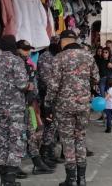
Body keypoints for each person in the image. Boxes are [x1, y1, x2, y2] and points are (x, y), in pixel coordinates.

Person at [45, 30, 99, 186]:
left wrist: (48, 104)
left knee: (68, 141)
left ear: (63, 41)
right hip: (83, 106)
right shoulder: (88, 56)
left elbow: (53, 85)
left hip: (64, 107)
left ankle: (71, 179)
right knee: (80, 138)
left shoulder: (59, 58)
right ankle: (82, 179)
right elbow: (96, 77)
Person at [0, 35, 31, 186]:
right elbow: (22, 84)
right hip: (15, 109)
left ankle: (4, 181)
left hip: (0, 109)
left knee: (3, 142)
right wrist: (30, 86)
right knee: (15, 142)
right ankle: (10, 181)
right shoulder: (17, 61)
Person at [16, 40, 54, 176]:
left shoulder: (28, 65)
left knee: (32, 134)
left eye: (29, 50)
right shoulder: (15, 65)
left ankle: (37, 164)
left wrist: (36, 102)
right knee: (17, 137)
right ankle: (13, 167)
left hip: (29, 105)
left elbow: (34, 85)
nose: (28, 52)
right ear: (17, 50)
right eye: (25, 50)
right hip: (15, 108)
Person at [38, 41, 63, 169]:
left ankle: (50, 153)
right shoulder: (46, 57)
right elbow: (46, 79)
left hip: (55, 97)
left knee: (54, 125)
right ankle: (44, 154)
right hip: (47, 97)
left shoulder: (56, 56)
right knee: (50, 124)